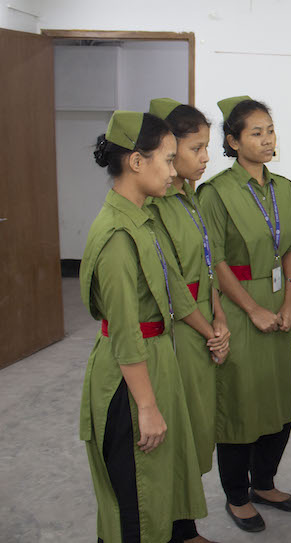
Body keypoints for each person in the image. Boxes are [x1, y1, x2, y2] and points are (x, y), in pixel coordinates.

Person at [80, 111, 227, 543]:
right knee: (136, 499)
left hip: (155, 360)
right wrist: (146, 406)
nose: (173, 170)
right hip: (130, 378)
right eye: (166, 159)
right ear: (136, 162)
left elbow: (172, 289)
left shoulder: (142, 220)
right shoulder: (118, 238)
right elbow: (125, 333)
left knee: (157, 484)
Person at [197, 96, 291, 532]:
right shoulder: (216, 192)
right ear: (233, 141)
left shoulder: (285, 189)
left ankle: (264, 483)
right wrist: (253, 308)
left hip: (279, 304)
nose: (266, 139)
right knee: (241, 404)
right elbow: (214, 262)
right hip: (241, 306)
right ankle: (237, 496)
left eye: (270, 131)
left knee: (278, 399)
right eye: (255, 133)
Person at [145, 98, 230, 543]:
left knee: (198, 428)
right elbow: (173, 284)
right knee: (179, 429)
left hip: (203, 324)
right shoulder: (157, 205)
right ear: (170, 148)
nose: (205, 157)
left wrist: (219, 315)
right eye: (197, 148)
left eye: (206, 147)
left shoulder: (191, 198)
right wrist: (207, 329)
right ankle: (180, 530)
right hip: (180, 331)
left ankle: (185, 523)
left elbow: (207, 265)